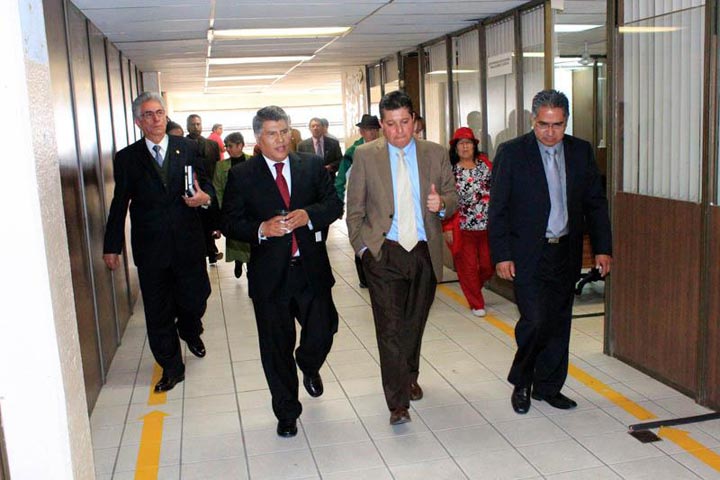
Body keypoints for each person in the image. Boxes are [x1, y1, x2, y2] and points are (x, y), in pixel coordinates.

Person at [221, 106, 343, 438]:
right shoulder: (242, 175)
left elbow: (334, 204)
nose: (280, 139)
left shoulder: (311, 166)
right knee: (276, 347)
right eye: (272, 134)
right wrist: (261, 228)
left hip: (310, 269)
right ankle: (287, 411)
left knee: (324, 330)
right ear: (258, 139)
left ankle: (309, 363)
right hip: (270, 276)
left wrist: (309, 215)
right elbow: (229, 221)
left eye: (285, 131)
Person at [488, 89, 612, 414]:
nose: (550, 132)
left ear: (566, 121)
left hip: (565, 251)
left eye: (557, 125)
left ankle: (549, 386)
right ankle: (522, 382)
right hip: (528, 252)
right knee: (535, 320)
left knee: (558, 321)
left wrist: (603, 248)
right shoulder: (512, 153)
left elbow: (595, 204)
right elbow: (498, 209)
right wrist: (502, 254)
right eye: (543, 124)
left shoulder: (580, 151)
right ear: (533, 120)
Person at [346, 91, 457, 425]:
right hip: (385, 251)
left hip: (423, 250)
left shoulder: (435, 153)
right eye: (391, 124)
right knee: (390, 327)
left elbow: (452, 196)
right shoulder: (365, 156)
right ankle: (397, 403)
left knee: (413, 323)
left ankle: (409, 374)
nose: (398, 131)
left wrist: (443, 205)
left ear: (415, 121)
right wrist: (363, 250)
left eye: (404, 122)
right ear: (382, 125)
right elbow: (355, 209)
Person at [103, 92, 213, 393]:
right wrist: (112, 246)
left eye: (160, 113)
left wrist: (205, 198)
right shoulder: (127, 158)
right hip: (151, 247)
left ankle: (189, 328)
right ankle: (172, 367)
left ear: (166, 116)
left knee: (196, 297)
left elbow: (206, 185)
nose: (155, 119)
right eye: (148, 114)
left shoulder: (187, 148)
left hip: (188, 242)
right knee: (158, 310)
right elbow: (119, 203)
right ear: (138, 122)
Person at [443, 127, 494, 317]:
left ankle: (472, 287)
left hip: (488, 227)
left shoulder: (486, 165)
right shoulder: (450, 171)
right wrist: (447, 227)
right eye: (461, 144)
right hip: (463, 228)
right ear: (455, 148)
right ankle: (476, 303)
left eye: (468, 143)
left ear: (474, 146)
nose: (465, 147)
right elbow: (446, 201)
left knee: (489, 265)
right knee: (469, 267)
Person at [335, 114, 381, 289]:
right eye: (369, 130)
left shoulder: (384, 149)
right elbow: (341, 178)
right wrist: (339, 203)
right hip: (360, 202)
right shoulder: (353, 152)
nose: (372, 133)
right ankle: (364, 277)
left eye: (375, 130)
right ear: (361, 131)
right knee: (360, 236)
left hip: (379, 202)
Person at [213, 132, 251, 279]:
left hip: (250, 208)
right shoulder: (221, 166)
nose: (227, 149)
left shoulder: (252, 161)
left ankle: (250, 265)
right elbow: (218, 188)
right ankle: (238, 261)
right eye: (226, 146)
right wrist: (223, 208)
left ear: (240, 145)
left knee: (251, 239)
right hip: (232, 208)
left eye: (230, 146)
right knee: (235, 237)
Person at [187, 114, 223, 264]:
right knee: (196, 224)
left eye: (198, 124)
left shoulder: (212, 145)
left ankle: (212, 252)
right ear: (188, 126)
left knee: (210, 221)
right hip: (191, 190)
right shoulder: (183, 144)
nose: (196, 127)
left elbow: (216, 166)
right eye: (193, 124)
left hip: (209, 189)